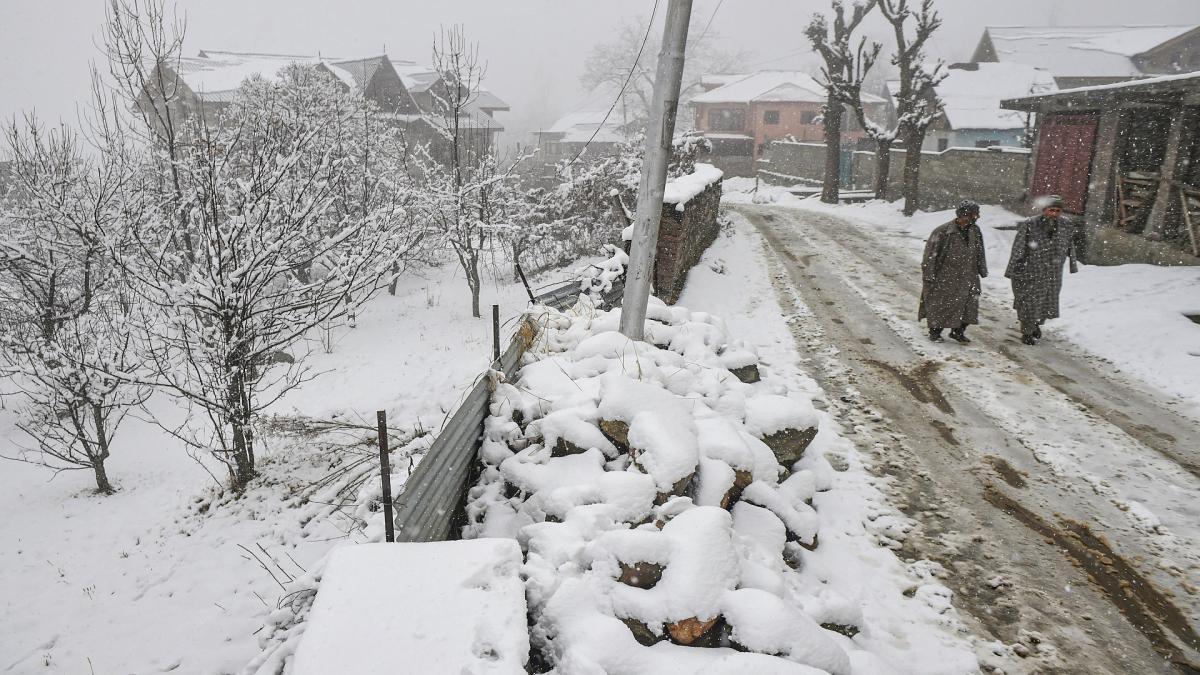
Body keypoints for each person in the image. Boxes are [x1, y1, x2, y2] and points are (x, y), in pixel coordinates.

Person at [1004, 195, 1079, 345]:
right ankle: (1027, 331)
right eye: (1051, 210)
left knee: (1046, 302)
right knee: (1028, 303)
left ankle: (1036, 324)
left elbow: (1070, 245)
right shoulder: (1031, 224)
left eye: (1057, 210)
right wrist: (1014, 268)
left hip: (1053, 273)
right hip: (1031, 270)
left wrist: (1072, 264)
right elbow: (1018, 247)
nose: (1054, 214)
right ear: (1044, 210)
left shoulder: (1066, 225)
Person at [919, 200, 988, 343]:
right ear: (965, 215)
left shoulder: (975, 231)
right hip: (946, 276)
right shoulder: (942, 232)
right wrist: (929, 276)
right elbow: (930, 256)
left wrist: (982, 269)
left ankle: (958, 332)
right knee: (941, 305)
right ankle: (935, 332)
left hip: (969, 275)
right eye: (975, 214)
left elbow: (980, 251)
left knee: (968, 305)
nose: (978, 217)